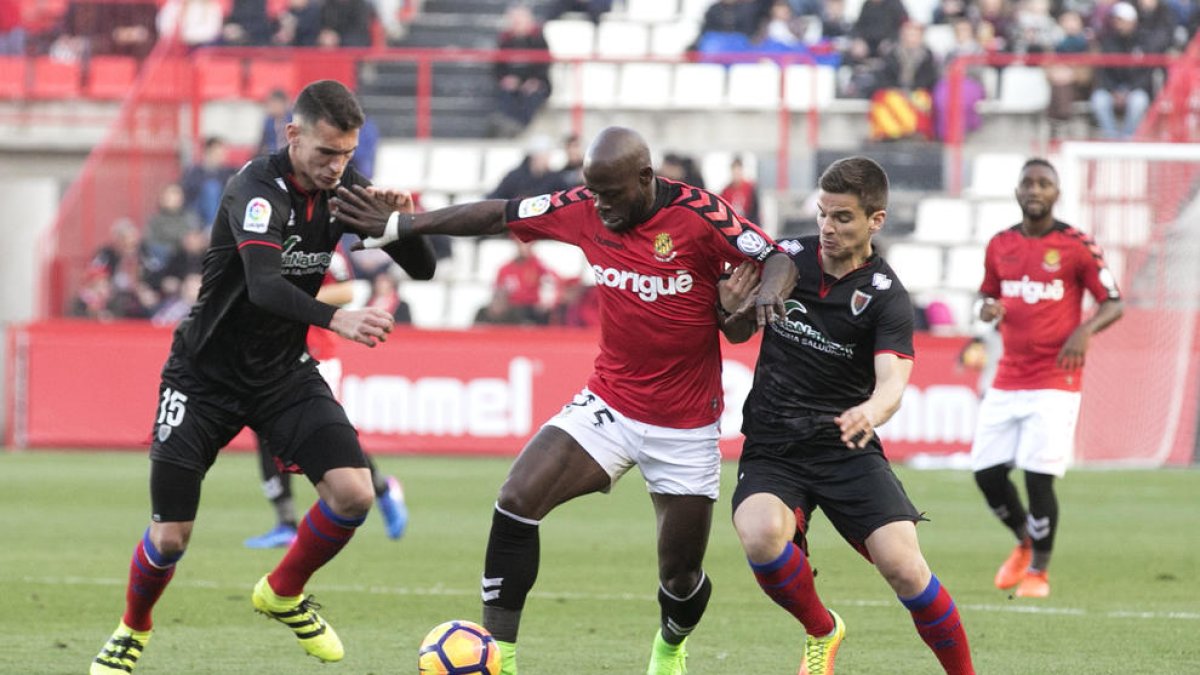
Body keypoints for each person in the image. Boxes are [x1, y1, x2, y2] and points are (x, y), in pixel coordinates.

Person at [330, 125, 797, 675]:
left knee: (680, 579)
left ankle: (670, 646)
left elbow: (779, 255)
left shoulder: (699, 215)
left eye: (611, 194)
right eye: (592, 192)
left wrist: (766, 294)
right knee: (516, 498)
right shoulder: (583, 206)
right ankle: (498, 658)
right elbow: (497, 214)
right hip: (610, 403)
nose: (599, 206)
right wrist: (400, 225)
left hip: (685, 425)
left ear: (645, 179)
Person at [89, 80, 437, 675]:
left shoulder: (345, 188)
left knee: (353, 494)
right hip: (203, 377)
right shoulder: (255, 188)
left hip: (281, 374)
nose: (338, 167)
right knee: (171, 536)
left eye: (348, 154)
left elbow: (424, 271)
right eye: (327, 152)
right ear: (293, 134)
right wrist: (337, 318)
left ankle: (281, 592)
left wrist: (405, 224)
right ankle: (133, 627)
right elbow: (265, 286)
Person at [727, 156, 977, 674]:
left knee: (905, 569)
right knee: (759, 534)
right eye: (823, 213)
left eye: (842, 217)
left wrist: (870, 410)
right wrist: (727, 308)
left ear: (875, 221)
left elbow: (892, 386)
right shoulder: (786, 259)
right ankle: (822, 629)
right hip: (774, 444)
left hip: (845, 448)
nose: (827, 227)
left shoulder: (888, 297)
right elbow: (733, 332)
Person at [971, 158, 1123, 598]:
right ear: (1017, 191)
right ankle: (1023, 540)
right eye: (1028, 183)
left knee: (1038, 477)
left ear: (1057, 193)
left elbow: (1113, 302)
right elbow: (986, 294)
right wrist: (986, 309)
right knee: (986, 473)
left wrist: (1082, 331)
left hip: (1056, 379)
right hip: (1008, 376)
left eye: (1044, 183)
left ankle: (1039, 570)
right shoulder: (1000, 244)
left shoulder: (1075, 244)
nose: (1035, 190)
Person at [244, 244, 411, 549]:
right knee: (265, 430)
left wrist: (292, 301)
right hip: (272, 351)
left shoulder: (320, 241)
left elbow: (346, 291)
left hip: (317, 350)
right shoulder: (266, 236)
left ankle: (383, 489)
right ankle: (285, 522)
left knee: (325, 433)